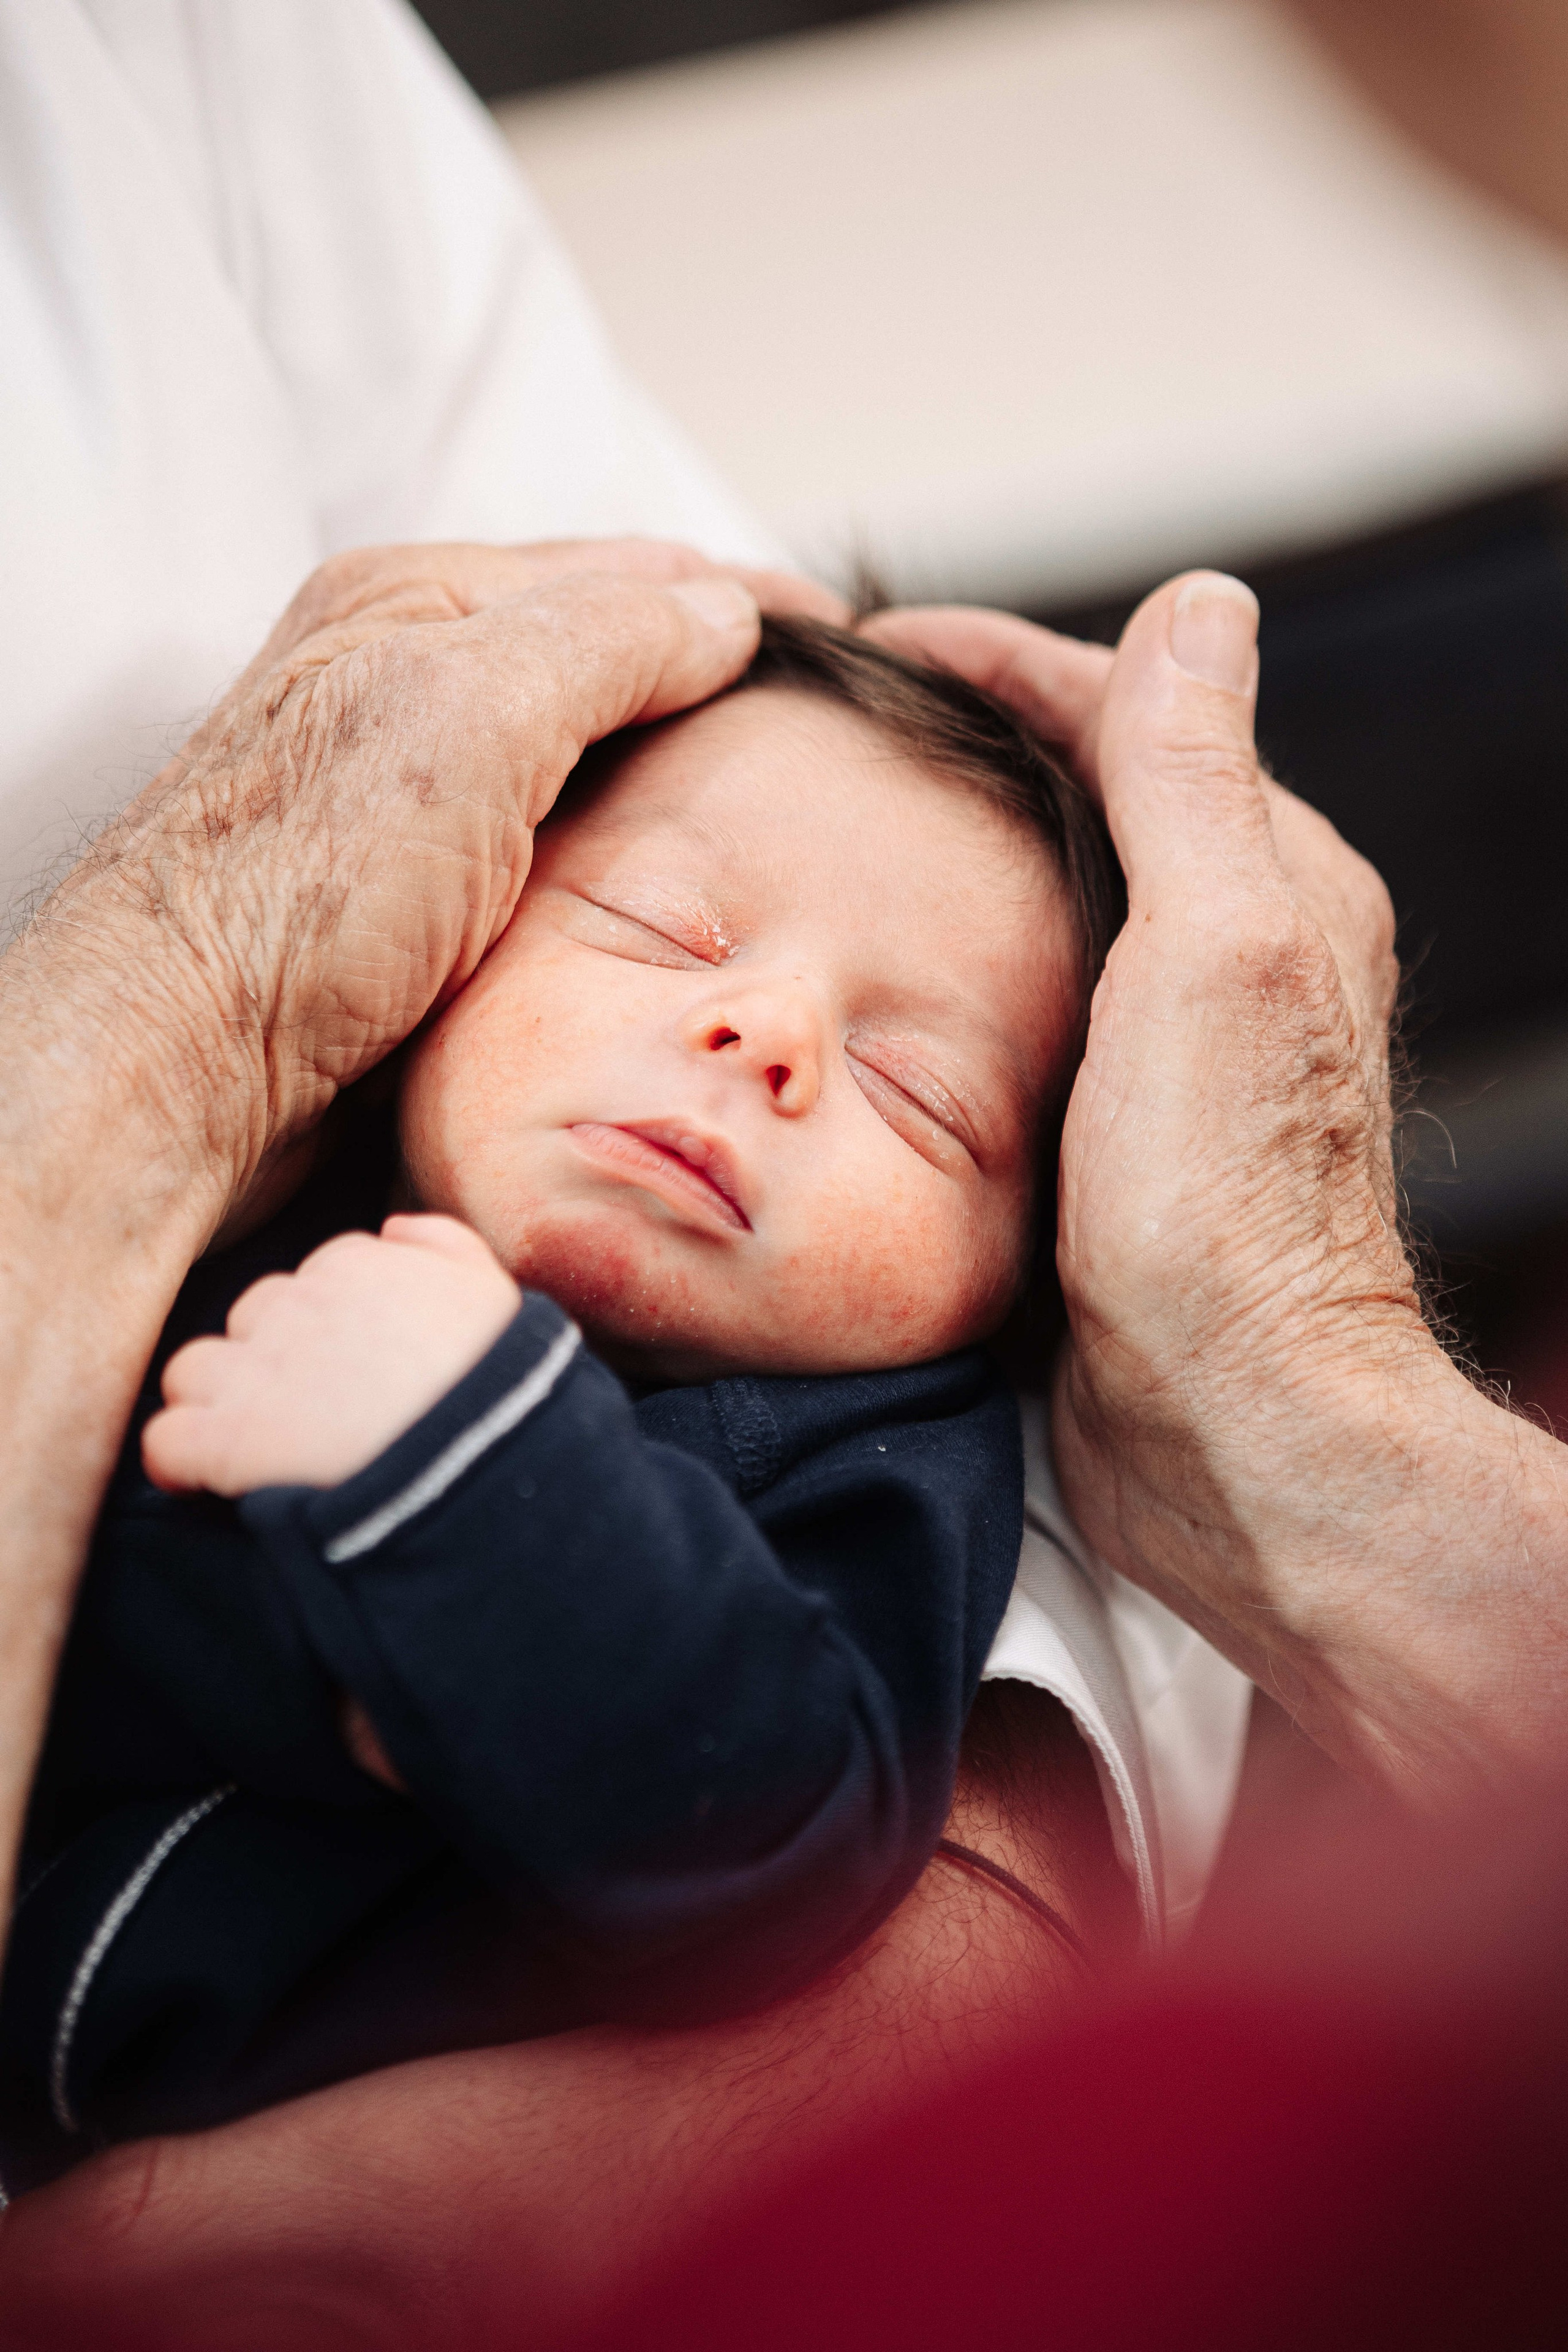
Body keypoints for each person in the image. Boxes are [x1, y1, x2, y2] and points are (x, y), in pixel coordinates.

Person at [0, 618, 1119, 2190]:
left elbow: (778, 1838)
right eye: (657, 923)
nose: (768, 1035)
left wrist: (467, 1463)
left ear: (1014, 1280)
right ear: (463, 921)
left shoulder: (870, 1460)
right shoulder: (232, 1193)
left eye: (922, 1095)